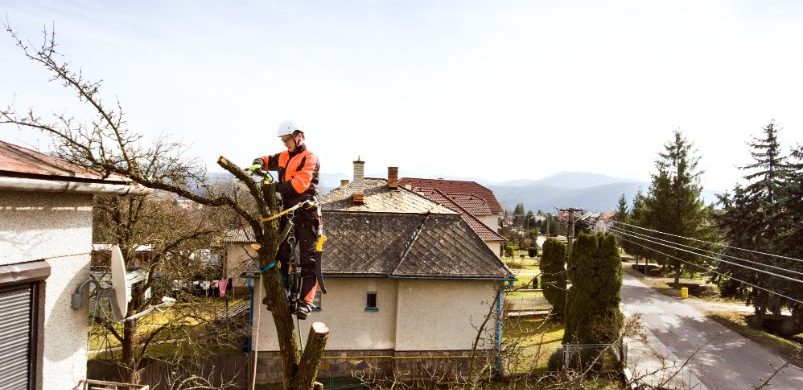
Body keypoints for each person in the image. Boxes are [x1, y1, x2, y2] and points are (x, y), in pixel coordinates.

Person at [253, 120, 321, 319]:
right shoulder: (283, 157)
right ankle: (282, 294)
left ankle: (306, 302)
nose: (285, 144)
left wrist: (273, 187)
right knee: (280, 254)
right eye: (283, 140)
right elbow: (267, 160)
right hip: (288, 211)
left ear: (299, 136)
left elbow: (299, 185)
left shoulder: (310, 158)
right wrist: (258, 162)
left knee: (308, 260)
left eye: (288, 140)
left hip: (306, 211)